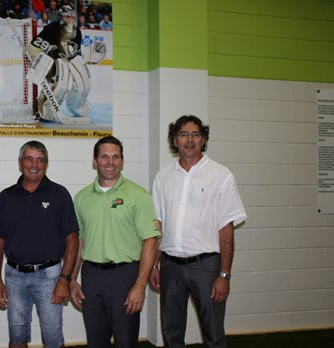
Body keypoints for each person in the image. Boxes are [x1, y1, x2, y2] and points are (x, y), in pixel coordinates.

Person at [149, 115, 247, 348]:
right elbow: (158, 225)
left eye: (195, 134)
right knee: (171, 332)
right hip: (170, 267)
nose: (190, 139)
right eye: (183, 134)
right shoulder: (163, 177)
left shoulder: (221, 176)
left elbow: (226, 229)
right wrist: (154, 265)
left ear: (203, 139)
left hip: (207, 268)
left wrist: (224, 275)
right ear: (174, 140)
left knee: (213, 334)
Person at [69, 136, 161, 348]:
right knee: (96, 341)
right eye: (104, 157)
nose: (110, 162)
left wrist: (139, 286)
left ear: (122, 161)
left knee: (125, 341)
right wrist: (72, 279)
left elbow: (150, 240)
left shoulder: (138, 195)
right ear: (95, 161)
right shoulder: (82, 198)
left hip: (125, 275)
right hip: (91, 277)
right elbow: (79, 242)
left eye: (115, 157)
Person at [0, 141, 79, 348]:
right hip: (14, 277)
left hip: (50, 276)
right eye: (29, 159)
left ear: (46, 164)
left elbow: (72, 239)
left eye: (40, 160)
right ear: (20, 163)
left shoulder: (59, 194)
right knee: (17, 335)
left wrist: (64, 280)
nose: (34, 165)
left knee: (52, 337)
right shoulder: (6, 197)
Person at [27, 4, 105, 125]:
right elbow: (35, 48)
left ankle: (77, 106)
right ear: (62, 17)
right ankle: (43, 108)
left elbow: (75, 53)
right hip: (50, 58)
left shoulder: (77, 31)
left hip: (63, 60)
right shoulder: (52, 28)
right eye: (68, 17)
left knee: (81, 84)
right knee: (57, 84)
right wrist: (39, 61)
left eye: (72, 17)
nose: (70, 19)